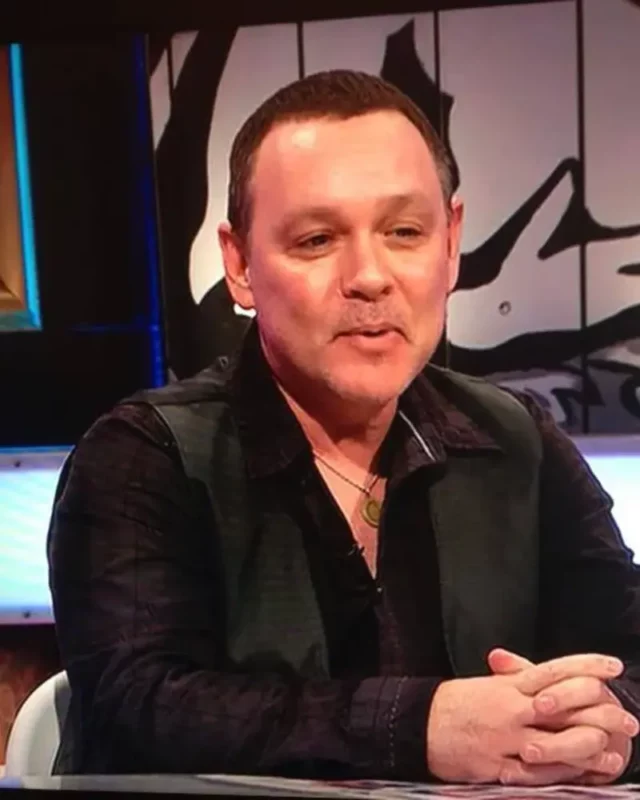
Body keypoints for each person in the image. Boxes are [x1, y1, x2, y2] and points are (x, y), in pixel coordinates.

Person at [47, 70, 640, 785]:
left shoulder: (518, 441)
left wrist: (599, 728)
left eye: (404, 232)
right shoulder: (143, 457)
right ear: (239, 263)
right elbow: (142, 709)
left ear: (451, 243)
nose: (370, 276)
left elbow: (629, 655)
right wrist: (419, 728)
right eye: (318, 239)